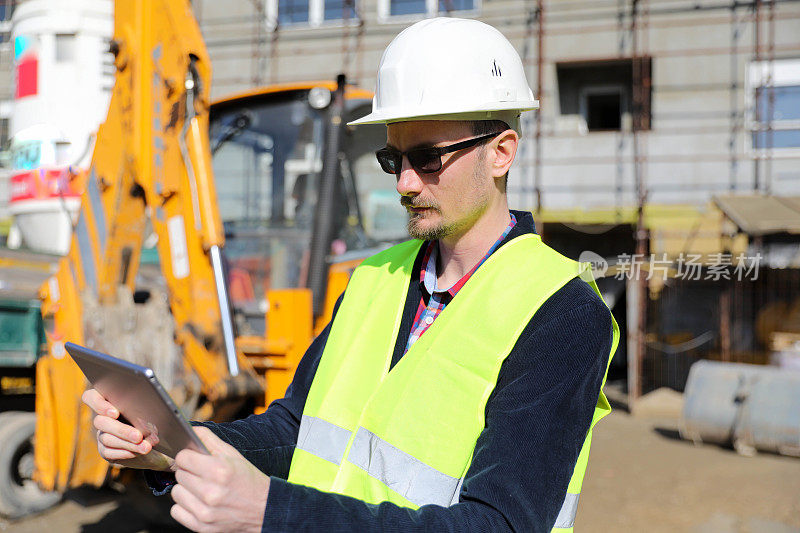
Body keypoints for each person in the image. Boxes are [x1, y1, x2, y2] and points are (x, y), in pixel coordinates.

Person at [83, 17, 619, 533]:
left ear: (501, 153)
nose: (406, 182)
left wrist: (272, 513)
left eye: (428, 159)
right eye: (393, 159)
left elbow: (496, 524)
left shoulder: (562, 312)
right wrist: (175, 448)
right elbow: (295, 428)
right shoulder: (374, 279)